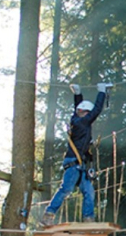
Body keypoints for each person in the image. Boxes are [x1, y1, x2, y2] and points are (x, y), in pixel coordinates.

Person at [41, 83, 107, 226]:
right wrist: (102, 91)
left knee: (89, 192)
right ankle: (48, 215)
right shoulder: (82, 122)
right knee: (66, 189)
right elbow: (96, 110)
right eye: (88, 114)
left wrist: (78, 94)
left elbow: (79, 107)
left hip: (81, 165)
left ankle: (88, 219)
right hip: (74, 163)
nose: (90, 117)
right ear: (85, 113)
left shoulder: (78, 119)